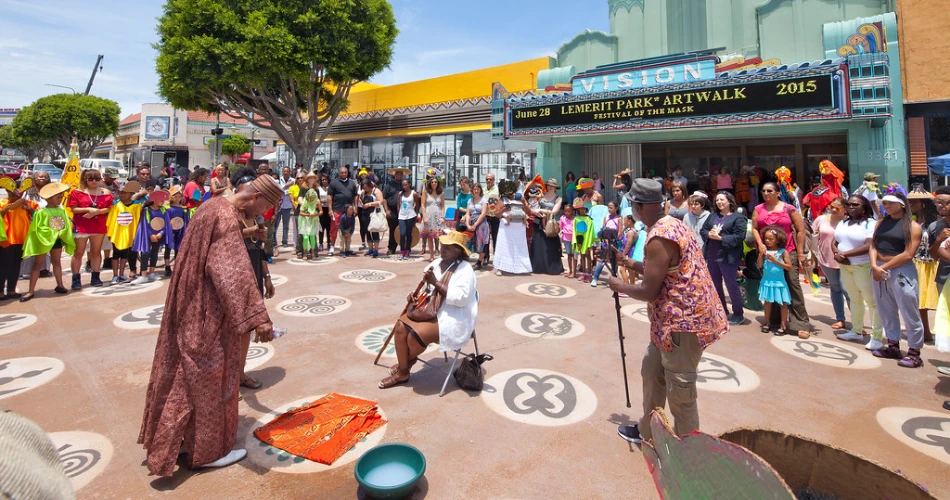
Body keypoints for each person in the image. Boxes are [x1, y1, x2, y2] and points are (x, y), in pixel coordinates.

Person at [138, 174, 281, 477]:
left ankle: (174, 442)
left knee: (183, 375)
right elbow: (233, 275)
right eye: (266, 207)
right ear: (255, 197)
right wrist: (260, 319)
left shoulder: (212, 205)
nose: (263, 215)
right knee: (211, 381)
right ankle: (209, 451)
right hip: (208, 312)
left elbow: (214, 248)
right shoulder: (228, 218)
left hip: (187, 304)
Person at [609, 178, 728, 445]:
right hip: (667, 325)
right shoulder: (673, 224)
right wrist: (629, 262)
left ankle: (689, 451)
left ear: (637, 206)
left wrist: (620, 285)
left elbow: (649, 291)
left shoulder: (660, 236)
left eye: (631, 204)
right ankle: (648, 430)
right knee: (652, 373)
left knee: (681, 394)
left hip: (683, 326)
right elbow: (664, 270)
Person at [378, 230, 478, 389]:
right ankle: (404, 369)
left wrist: (436, 282)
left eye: (448, 247)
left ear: (459, 251)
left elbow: (461, 299)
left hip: (452, 315)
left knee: (414, 336)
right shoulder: (436, 263)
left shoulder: (465, 270)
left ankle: (403, 367)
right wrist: (413, 296)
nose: (443, 249)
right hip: (428, 309)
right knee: (400, 327)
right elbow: (425, 288)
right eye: (442, 245)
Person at [869, 189, 925, 367]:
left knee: (909, 310)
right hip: (879, 268)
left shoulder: (913, 226)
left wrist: (883, 267)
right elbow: (873, 245)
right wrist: (874, 265)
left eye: (889, 203)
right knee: (885, 308)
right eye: (884, 203)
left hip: (901, 270)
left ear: (901, 205)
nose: (886, 206)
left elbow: (908, 253)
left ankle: (914, 351)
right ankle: (892, 344)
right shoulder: (880, 224)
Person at [751, 182, 814, 336]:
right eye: (764, 191)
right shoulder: (758, 209)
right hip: (768, 253)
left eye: (770, 190)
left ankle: (801, 324)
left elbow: (800, 230)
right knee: (772, 284)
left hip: (788, 251)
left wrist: (800, 252)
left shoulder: (788, 208)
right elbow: (754, 228)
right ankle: (775, 320)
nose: (766, 193)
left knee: (792, 284)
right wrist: (760, 244)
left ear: (778, 193)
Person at [833, 195, 882, 345]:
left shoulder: (870, 224)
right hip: (846, 266)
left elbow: (869, 245)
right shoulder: (843, 222)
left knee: (872, 301)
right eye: (848, 204)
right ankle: (856, 331)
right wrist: (837, 254)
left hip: (862, 266)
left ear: (864, 207)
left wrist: (844, 254)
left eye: (855, 204)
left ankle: (877, 336)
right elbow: (835, 241)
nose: (851, 207)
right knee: (854, 299)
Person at [20, 182, 75, 302]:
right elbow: (38, 228)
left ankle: (60, 284)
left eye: (61, 196)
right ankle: (31, 291)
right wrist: (53, 232)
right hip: (44, 241)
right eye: (57, 197)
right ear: (49, 198)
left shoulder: (62, 211)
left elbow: (65, 225)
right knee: (37, 265)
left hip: (57, 241)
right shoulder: (41, 212)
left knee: (57, 262)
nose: (60, 199)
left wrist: (63, 232)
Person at [700, 192, 749, 325]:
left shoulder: (738, 218)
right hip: (712, 256)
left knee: (731, 285)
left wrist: (721, 238)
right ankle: (722, 311)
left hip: (728, 256)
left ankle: (738, 314)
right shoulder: (713, 216)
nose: (719, 202)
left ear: (729, 201)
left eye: (722, 200)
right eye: (717, 200)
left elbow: (739, 236)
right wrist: (709, 234)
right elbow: (703, 230)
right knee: (715, 285)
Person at [68, 169, 113, 289]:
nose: (94, 181)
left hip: (98, 225)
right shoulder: (77, 192)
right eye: (91, 179)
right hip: (81, 225)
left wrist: (96, 212)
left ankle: (95, 276)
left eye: (97, 179)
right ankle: (76, 278)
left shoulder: (105, 192)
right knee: (78, 252)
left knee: (96, 252)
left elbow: (108, 208)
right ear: (85, 179)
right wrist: (88, 210)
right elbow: (73, 209)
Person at [812, 197, 850, 331]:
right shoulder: (821, 219)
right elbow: (813, 236)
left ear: (845, 209)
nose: (833, 209)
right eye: (831, 206)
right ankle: (840, 318)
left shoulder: (848, 222)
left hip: (846, 261)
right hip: (826, 259)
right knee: (835, 288)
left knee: (847, 290)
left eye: (837, 208)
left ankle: (858, 321)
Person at [908, 186, 938, 343]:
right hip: (917, 261)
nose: (911, 204)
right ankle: (925, 331)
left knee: (939, 300)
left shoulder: (936, 221)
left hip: (933, 263)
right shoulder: (913, 220)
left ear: (923, 203)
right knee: (919, 300)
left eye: (914, 201)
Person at [0, 180, 35, 300]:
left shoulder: (28, 203)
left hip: (22, 239)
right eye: (12, 194)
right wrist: (4, 211)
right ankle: (0, 291)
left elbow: (38, 216)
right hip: (6, 240)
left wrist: (29, 209)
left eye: (18, 194)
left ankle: (11, 290)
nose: (15, 196)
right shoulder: (3, 203)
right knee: (4, 265)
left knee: (16, 265)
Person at [106, 181, 147, 284]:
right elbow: (111, 219)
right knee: (116, 254)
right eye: (121, 193)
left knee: (125, 255)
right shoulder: (116, 205)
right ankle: (115, 275)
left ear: (131, 193)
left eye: (125, 193)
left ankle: (121, 274)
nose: (122, 195)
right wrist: (110, 233)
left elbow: (139, 220)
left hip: (130, 234)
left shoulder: (137, 205)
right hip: (118, 234)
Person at [758, 226, 793, 335]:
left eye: (770, 239)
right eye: (766, 239)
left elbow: (789, 267)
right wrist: (760, 254)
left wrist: (775, 260)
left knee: (783, 304)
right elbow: (759, 265)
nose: (767, 241)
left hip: (779, 283)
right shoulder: (765, 252)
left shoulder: (782, 252)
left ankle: (783, 326)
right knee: (767, 303)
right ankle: (767, 323)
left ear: (777, 240)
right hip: (767, 281)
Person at [130, 192, 171, 285]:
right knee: (145, 253)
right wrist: (150, 234)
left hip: (158, 235)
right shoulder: (146, 210)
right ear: (154, 200)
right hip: (148, 235)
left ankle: (152, 272)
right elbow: (144, 224)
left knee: (155, 253)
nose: (162, 201)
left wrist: (161, 233)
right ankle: (143, 274)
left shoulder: (164, 210)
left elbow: (166, 224)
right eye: (160, 199)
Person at [494, 181, 532, 275]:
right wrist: (503, 209)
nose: (509, 193)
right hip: (506, 227)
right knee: (504, 247)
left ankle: (521, 267)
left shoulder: (520, 197)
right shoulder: (502, 200)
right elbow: (496, 214)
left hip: (519, 226)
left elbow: (529, 212)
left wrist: (524, 205)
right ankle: (501, 267)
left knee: (519, 247)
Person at [327, 167, 358, 257]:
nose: (344, 174)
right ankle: (332, 247)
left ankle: (347, 248)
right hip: (337, 210)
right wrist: (330, 209)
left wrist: (355, 207)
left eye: (345, 172)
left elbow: (355, 196)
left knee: (348, 229)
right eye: (342, 173)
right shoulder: (333, 183)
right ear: (339, 173)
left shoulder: (352, 183)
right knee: (334, 229)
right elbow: (330, 196)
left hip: (349, 212)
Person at [590, 201, 621, 287]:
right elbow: (603, 230)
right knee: (602, 260)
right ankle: (595, 278)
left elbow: (620, 231)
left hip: (614, 243)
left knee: (613, 261)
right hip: (605, 242)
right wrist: (606, 240)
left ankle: (613, 278)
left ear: (616, 208)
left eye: (611, 207)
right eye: (608, 207)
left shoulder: (619, 218)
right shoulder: (606, 217)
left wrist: (614, 240)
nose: (609, 209)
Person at [163, 185, 190, 276]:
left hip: (180, 230)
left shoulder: (183, 208)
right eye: (175, 196)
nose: (177, 198)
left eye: (179, 196)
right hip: (170, 230)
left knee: (178, 249)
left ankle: (177, 266)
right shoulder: (168, 208)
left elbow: (186, 220)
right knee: (168, 248)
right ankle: (167, 266)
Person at [420, 176, 445, 262]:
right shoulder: (426, 192)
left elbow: (442, 205)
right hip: (429, 215)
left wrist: (442, 216)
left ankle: (442, 255)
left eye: (435, 182)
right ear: (429, 183)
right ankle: (431, 255)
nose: (434, 183)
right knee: (430, 236)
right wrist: (424, 217)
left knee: (440, 236)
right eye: (432, 182)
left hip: (438, 216)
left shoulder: (441, 193)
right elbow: (423, 205)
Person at [383, 168, 408, 255]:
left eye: (400, 174)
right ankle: (391, 248)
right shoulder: (389, 185)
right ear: (394, 175)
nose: (399, 176)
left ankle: (404, 248)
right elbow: (384, 198)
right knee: (392, 230)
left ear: (402, 175)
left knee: (403, 230)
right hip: (392, 211)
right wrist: (386, 210)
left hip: (404, 211)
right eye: (397, 174)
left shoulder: (405, 185)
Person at [361, 178, 387, 258]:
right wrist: (362, 204)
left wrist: (369, 204)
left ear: (370, 186)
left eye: (366, 188)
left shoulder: (376, 191)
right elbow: (360, 199)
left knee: (375, 230)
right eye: (364, 188)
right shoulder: (363, 192)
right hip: (365, 213)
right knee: (368, 231)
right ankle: (370, 249)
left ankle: (375, 250)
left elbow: (381, 202)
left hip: (374, 213)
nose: (365, 189)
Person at [467, 182, 489, 269]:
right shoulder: (470, 200)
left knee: (482, 242)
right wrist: (468, 224)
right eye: (474, 189)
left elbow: (483, 214)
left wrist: (476, 224)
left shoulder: (484, 200)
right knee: (469, 241)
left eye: (478, 189)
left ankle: (479, 262)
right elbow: (468, 213)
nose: (476, 191)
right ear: (472, 190)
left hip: (481, 223)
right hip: (471, 222)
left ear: (480, 190)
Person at [572, 198, 595, 281]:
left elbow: (591, 232)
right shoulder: (576, 219)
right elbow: (575, 231)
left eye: (582, 209)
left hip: (587, 240)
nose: (581, 211)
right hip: (580, 240)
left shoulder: (589, 219)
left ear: (585, 209)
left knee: (588, 256)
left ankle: (589, 274)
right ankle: (583, 273)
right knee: (581, 256)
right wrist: (576, 242)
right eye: (579, 209)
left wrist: (589, 243)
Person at [396, 179, 419, 260]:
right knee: (402, 233)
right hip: (402, 216)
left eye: (406, 185)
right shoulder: (400, 194)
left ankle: (408, 250)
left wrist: (416, 215)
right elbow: (398, 204)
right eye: (403, 185)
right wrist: (399, 212)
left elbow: (417, 204)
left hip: (411, 215)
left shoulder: (414, 193)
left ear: (409, 184)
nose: (404, 186)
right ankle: (402, 250)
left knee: (409, 233)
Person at [275, 167, 295, 247]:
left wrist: (284, 190)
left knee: (286, 225)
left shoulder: (293, 180)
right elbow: (278, 191)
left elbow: (290, 192)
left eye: (287, 171)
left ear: (290, 172)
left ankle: (285, 241)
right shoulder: (278, 180)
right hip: (279, 206)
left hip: (288, 206)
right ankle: (274, 241)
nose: (286, 173)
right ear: (282, 172)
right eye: (284, 171)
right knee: (276, 224)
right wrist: (286, 187)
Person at [484, 173, 500, 260]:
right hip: (485, 216)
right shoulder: (483, 190)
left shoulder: (498, 190)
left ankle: (496, 257)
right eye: (487, 179)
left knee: (495, 237)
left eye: (490, 179)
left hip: (495, 216)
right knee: (486, 237)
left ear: (494, 180)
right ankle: (486, 256)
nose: (488, 181)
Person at [560, 203, 576, 278]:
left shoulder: (576, 219)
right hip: (566, 239)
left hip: (574, 239)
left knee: (575, 255)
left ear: (572, 211)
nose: (567, 213)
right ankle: (570, 271)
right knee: (569, 254)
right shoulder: (562, 218)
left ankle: (574, 272)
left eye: (568, 211)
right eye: (565, 211)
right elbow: (561, 228)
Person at [317, 173, 332, 252]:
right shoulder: (319, 189)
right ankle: (320, 243)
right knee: (321, 228)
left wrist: (328, 202)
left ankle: (329, 243)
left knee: (329, 228)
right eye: (322, 180)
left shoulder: (331, 188)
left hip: (329, 209)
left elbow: (332, 198)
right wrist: (323, 201)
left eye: (325, 180)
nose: (324, 181)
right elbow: (317, 199)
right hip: (321, 209)